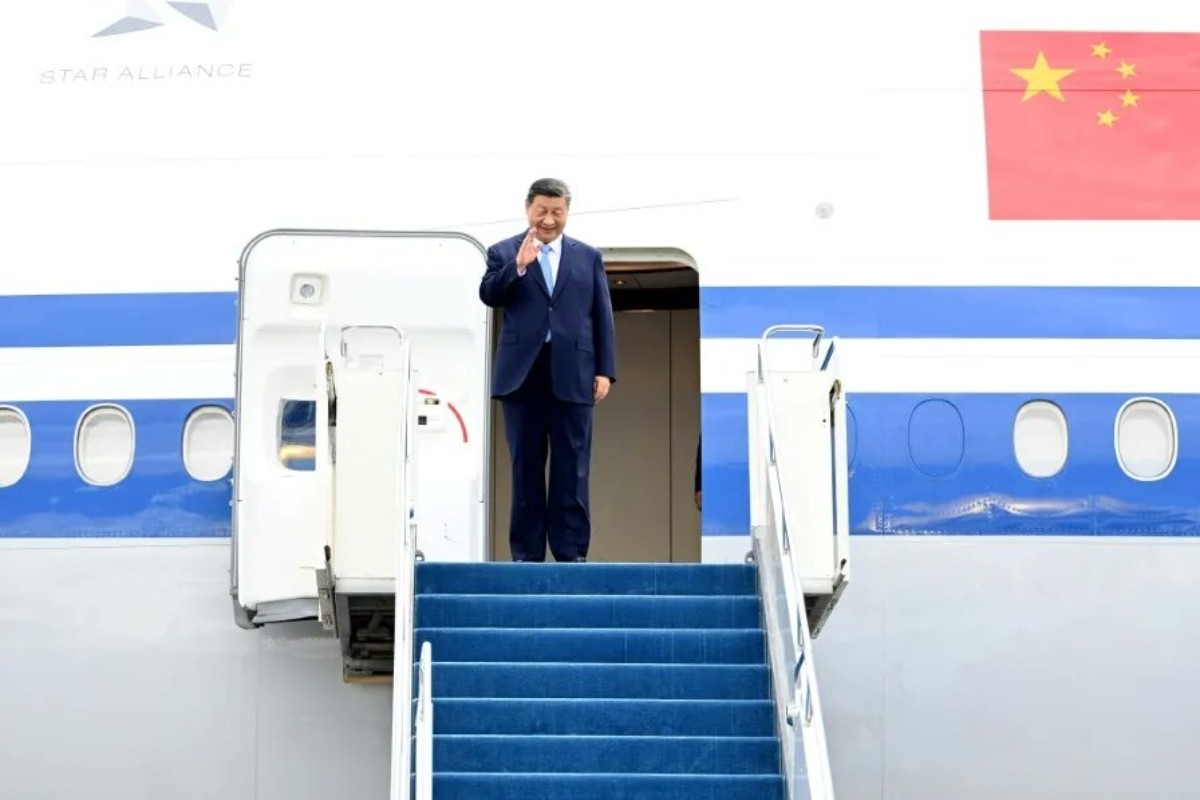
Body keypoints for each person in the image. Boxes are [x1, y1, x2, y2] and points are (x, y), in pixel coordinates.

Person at [479, 178, 617, 562]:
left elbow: (601, 315)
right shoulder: (503, 251)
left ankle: (571, 552)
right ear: (528, 209)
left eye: (557, 212)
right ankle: (526, 554)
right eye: (542, 211)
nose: (549, 220)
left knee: (572, 468)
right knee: (525, 468)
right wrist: (517, 268)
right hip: (522, 377)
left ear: (567, 212)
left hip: (574, 373)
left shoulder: (587, 256)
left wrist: (605, 369)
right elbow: (489, 295)